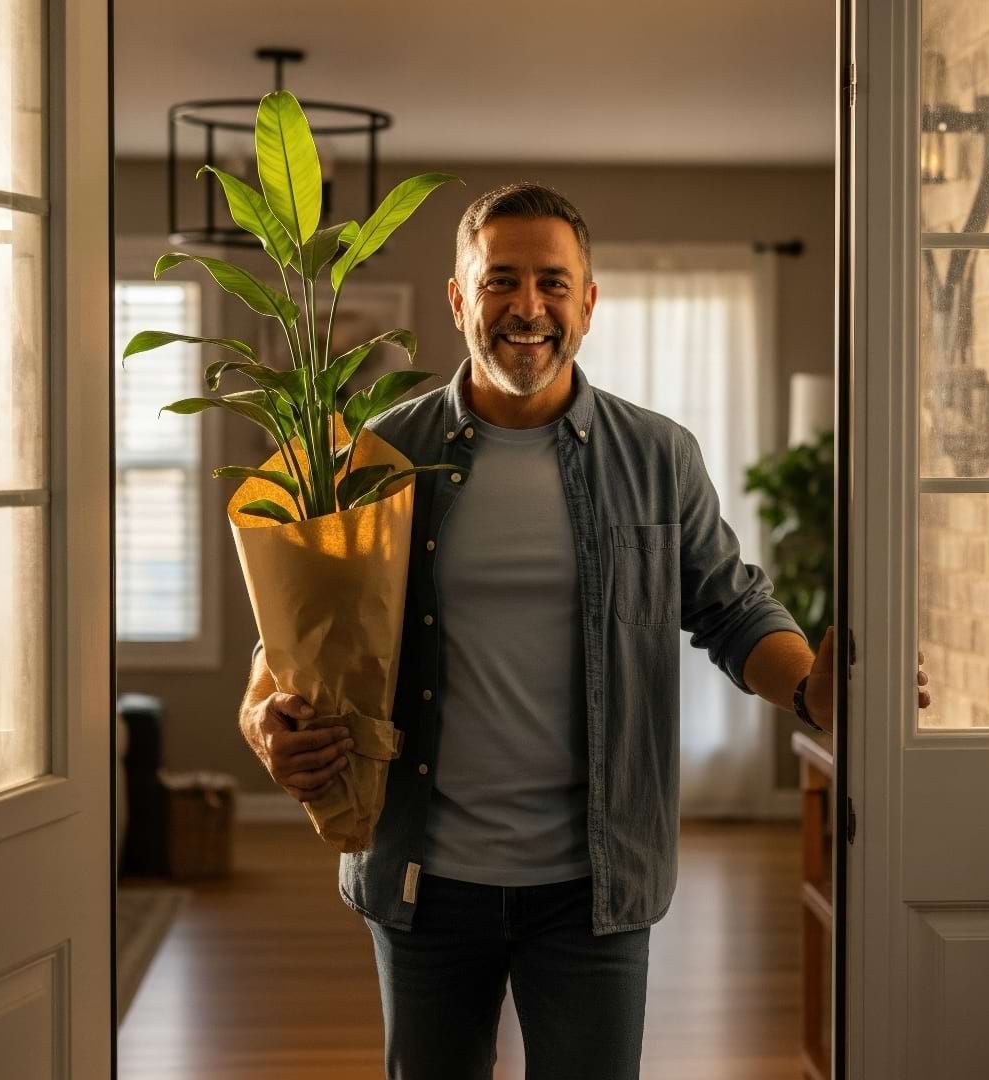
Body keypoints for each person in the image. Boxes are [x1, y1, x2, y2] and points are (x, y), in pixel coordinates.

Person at [238, 182, 932, 1080]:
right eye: (500, 282)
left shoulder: (658, 456)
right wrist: (267, 725)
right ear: (458, 299)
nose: (528, 307)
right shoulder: (381, 454)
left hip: (595, 887)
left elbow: (730, 606)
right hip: (423, 877)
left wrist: (809, 689)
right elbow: (301, 628)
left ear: (589, 301)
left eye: (553, 283)